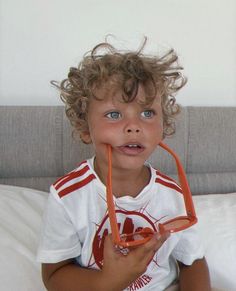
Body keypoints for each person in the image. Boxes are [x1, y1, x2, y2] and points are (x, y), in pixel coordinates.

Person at [37, 39, 211, 291]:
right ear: (86, 129)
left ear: (164, 127)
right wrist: (109, 281)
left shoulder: (172, 193)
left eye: (148, 113)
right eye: (114, 114)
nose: (133, 126)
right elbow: (54, 275)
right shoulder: (67, 195)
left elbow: (192, 260)